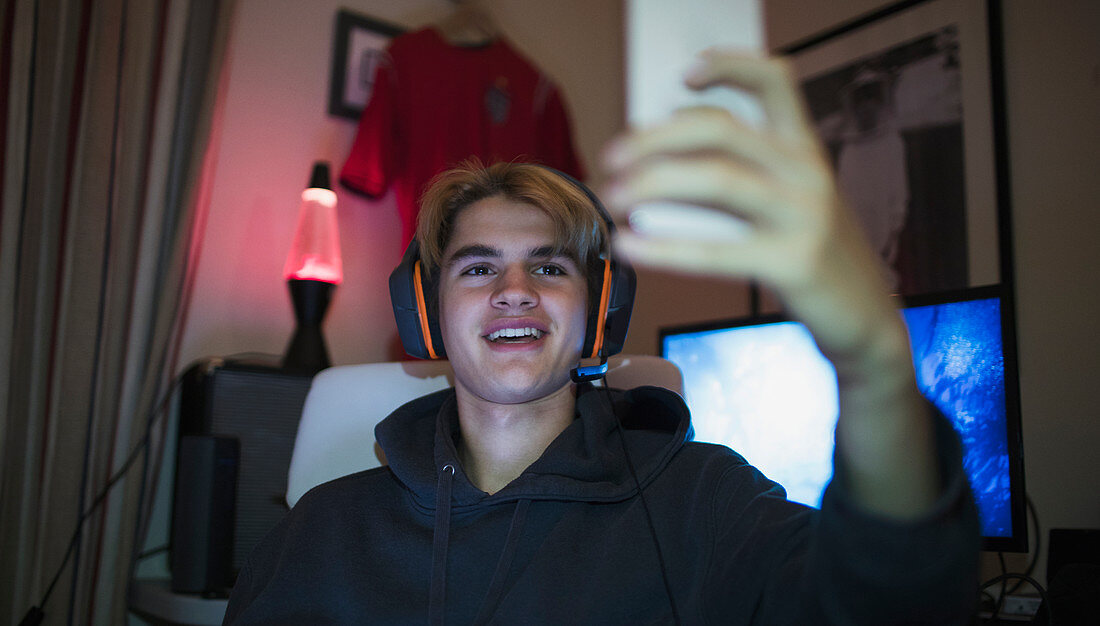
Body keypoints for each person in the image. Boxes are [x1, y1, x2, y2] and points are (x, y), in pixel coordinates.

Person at [223, 50, 978, 624]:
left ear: (601, 312)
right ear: (424, 312)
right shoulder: (321, 530)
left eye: (549, 268)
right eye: (478, 267)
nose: (514, 289)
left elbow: (892, 599)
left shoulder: (704, 504)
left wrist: (875, 368)